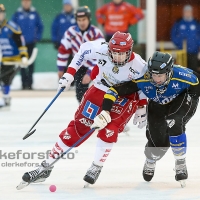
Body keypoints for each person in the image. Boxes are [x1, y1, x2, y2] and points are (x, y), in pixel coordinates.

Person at [17, 31, 148, 189]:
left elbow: (143, 85)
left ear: (130, 51)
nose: (117, 58)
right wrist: (69, 74)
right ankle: (45, 167)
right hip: (100, 88)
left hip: (124, 97)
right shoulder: (101, 48)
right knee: (78, 127)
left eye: (122, 54)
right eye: (114, 53)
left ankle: (96, 166)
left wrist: (142, 106)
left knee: (109, 129)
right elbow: (83, 51)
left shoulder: (139, 65)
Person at [101, 51, 200, 187]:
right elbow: (114, 90)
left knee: (175, 122)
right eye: (153, 75)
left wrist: (192, 98)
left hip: (180, 99)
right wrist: (105, 110)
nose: (156, 79)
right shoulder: (143, 79)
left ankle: (180, 162)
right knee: (158, 144)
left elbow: (197, 83)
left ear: (169, 72)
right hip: (157, 104)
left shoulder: (185, 76)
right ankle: (151, 159)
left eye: (160, 75)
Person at [57, 6, 105, 103]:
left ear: (89, 19)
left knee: (100, 92)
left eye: (84, 19)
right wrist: (61, 69)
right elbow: (63, 50)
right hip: (80, 65)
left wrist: (90, 72)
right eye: (79, 20)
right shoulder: (70, 32)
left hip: (97, 65)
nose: (82, 22)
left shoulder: (96, 33)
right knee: (80, 92)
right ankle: (83, 113)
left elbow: (102, 55)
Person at [0, 4, 28, 108]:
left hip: (12, 60)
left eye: (1, 13)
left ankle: (6, 98)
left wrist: (24, 56)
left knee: (5, 78)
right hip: (2, 60)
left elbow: (21, 42)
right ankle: (6, 98)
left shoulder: (12, 27)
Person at [12, 0, 43, 90]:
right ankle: (23, 83)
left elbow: (40, 26)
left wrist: (37, 37)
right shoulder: (17, 14)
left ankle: (30, 84)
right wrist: (16, 39)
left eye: (27, 1)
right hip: (20, 44)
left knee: (31, 63)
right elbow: (12, 27)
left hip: (31, 43)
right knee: (21, 63)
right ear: (22, 2)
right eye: (24, 1)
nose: (26, 3)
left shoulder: (35, 13)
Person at [171, 5, 200, 72]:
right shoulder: (179, 22)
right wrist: (178, 43)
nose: (187, 13)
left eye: (189, 11)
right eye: (186, 11)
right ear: (183, 12)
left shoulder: (196, 23)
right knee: (181, 70)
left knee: (193, 70)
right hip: (181, 51)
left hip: (193, 51)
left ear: (191, 12)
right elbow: (173, 34)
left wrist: (197, 44)